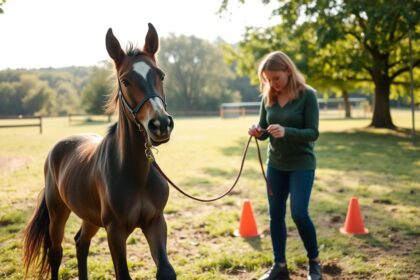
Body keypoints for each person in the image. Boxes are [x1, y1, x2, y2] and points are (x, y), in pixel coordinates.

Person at [248, 51, 322, 280]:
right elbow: (263, 130)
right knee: (275, 216)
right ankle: (279, 266)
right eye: (268, 79)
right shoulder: (267, 97)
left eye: (276, 78)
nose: (272, 83)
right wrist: (257, 132)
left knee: (299, 214)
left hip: (301, 164)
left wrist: (286, 131)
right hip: (276, 166)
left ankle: (314, 262)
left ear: (288, 71)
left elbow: (313, 133)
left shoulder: (307, 95)